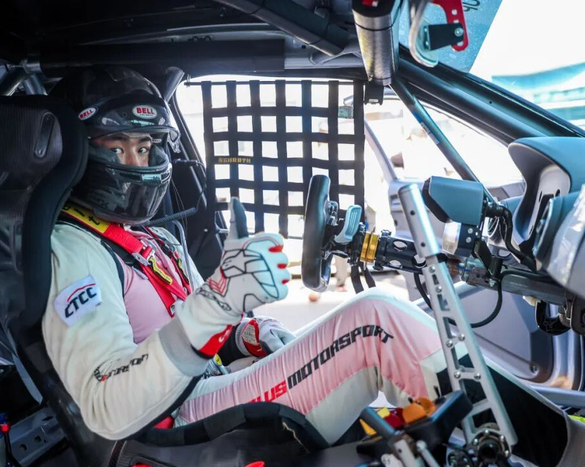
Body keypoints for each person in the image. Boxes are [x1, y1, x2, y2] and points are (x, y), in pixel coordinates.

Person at [42, 66, 582, 466]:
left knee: (377, 319)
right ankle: (561, 450)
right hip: (174, 427)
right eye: (118, 147)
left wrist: (250, 331)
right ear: (79, 153)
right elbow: (108, 410)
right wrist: (217, 303)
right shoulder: (71, 250)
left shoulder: (152, 237)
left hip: (210, 387)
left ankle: (524, 439)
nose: (136, 162)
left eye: (145, 147)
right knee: (376, 320)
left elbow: (196, 327)